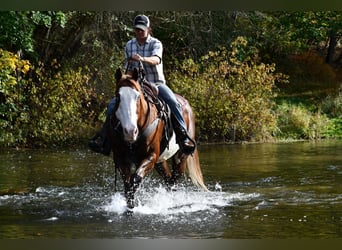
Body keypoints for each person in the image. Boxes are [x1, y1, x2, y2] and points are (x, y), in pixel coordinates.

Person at [88, 14, 195, 155]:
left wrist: (142, 59)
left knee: (172, 101)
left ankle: (183, 136)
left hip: (155, 83)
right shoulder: (129, 45)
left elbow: (157, 59)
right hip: (135, 84)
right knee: (112, 105)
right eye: (137, 29)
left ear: (148, 29)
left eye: (142, 30)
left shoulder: (156, 43)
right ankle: (104, 140)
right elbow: (127, 68)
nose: (139, 32)